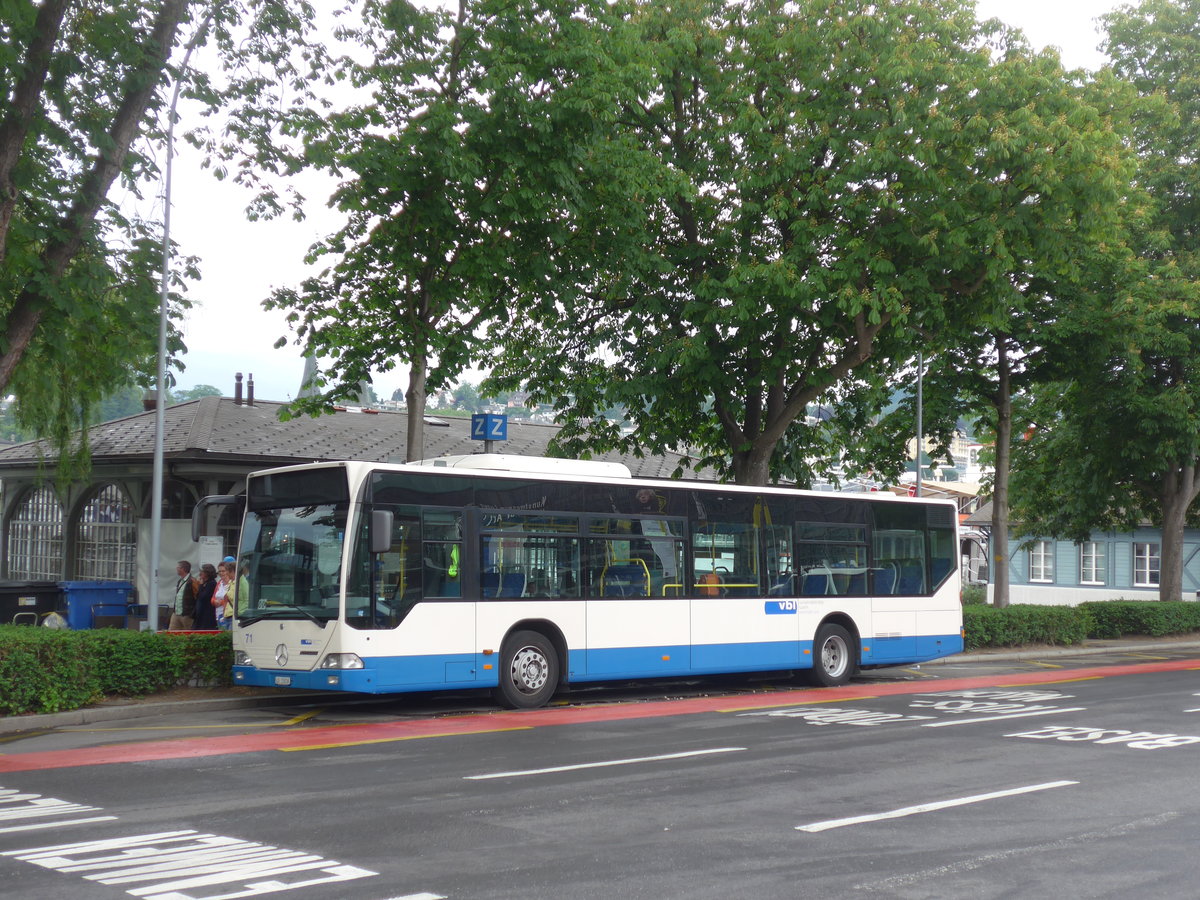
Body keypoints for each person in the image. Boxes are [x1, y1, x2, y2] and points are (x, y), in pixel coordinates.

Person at [169, 560, 197, 631]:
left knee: (189, 633)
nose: (176, 569)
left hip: (187, 614)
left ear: (183, 569)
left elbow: (196, 596)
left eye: (178, 567)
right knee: (171, 632)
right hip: (176, 613)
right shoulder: (180, 581)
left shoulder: (192, 581)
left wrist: (192, 613)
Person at [192, 563, 218, 630]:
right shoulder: (205, 583)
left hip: (207, 613)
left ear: (207, 573)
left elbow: (203, 596)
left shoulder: (212, 584)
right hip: (200, 613)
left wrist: (200, 586)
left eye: (202, 572)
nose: (200, 574)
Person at [213, 562, 232, 630]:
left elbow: (232, 598)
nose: (221, 573)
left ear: (228, 571)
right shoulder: (219, 582)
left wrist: (221, 602)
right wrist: (214, 602)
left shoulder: (232, 582)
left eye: (223, 571)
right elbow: (213, 598)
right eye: (219, 571)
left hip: (228, 615)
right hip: (218, 614)